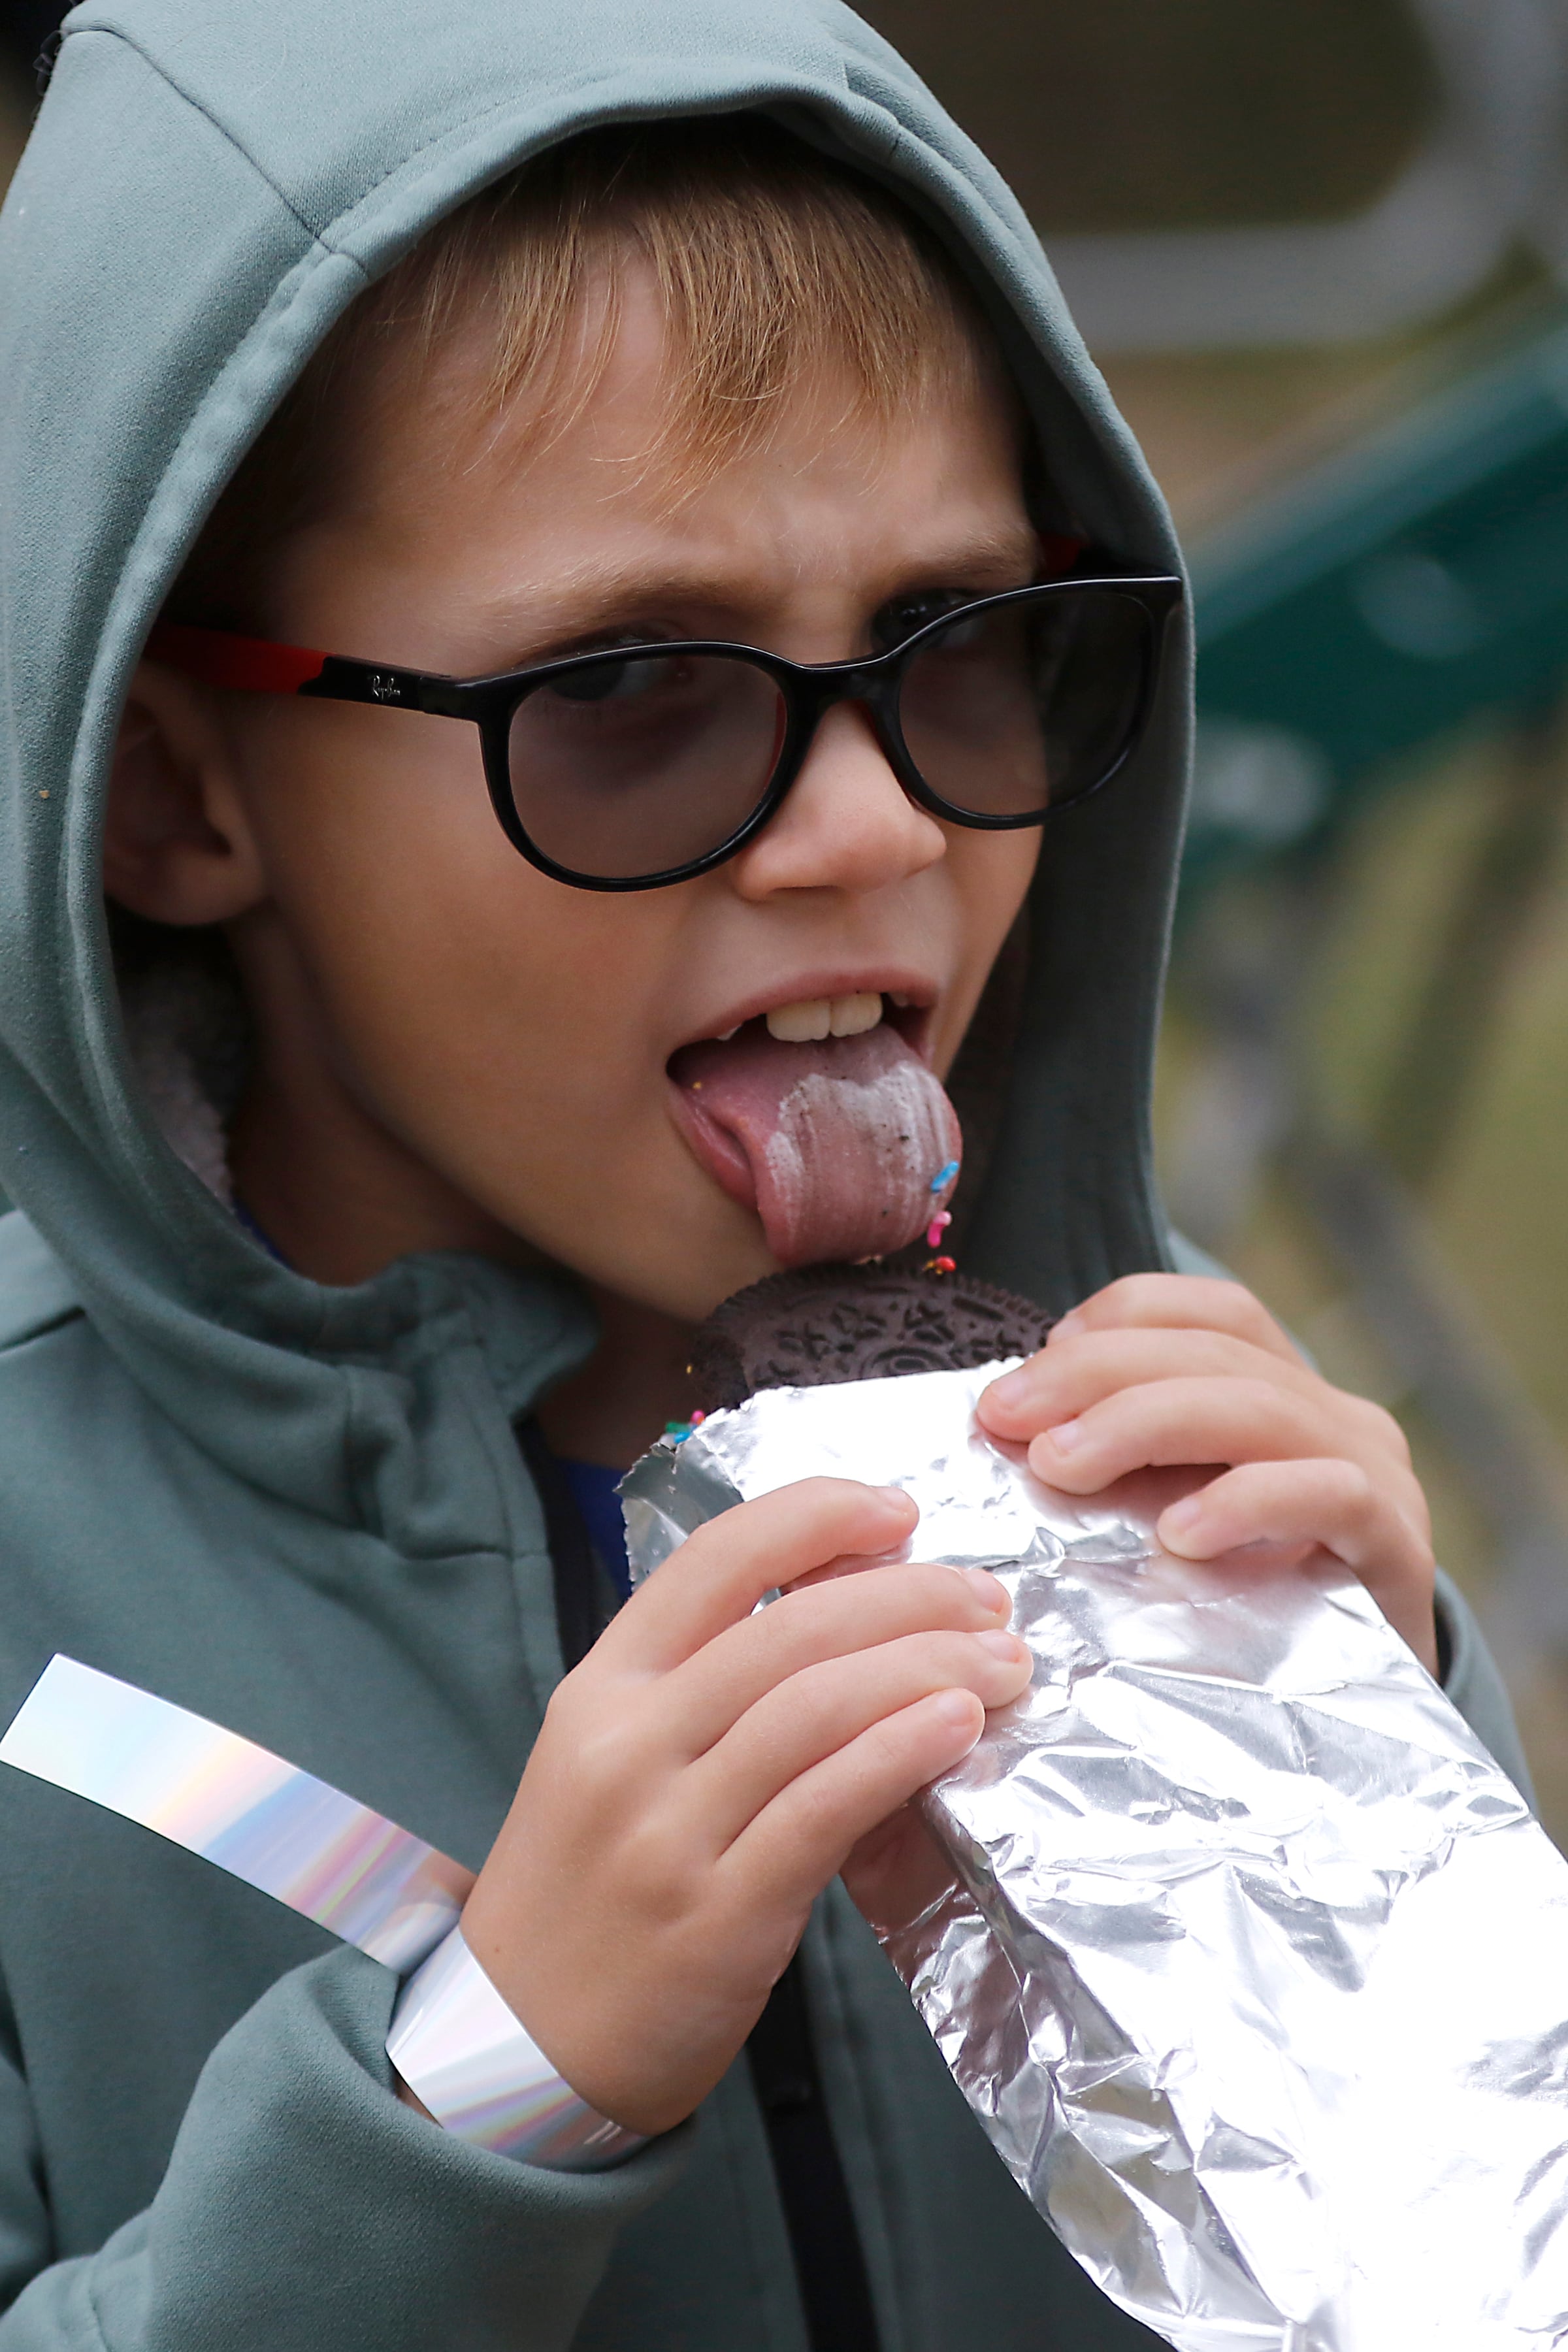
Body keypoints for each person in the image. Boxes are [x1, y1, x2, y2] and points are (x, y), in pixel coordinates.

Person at [0, 3, 1529, 2345]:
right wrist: (488, 2084)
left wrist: (1390, 1784)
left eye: (964, 645)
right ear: (176, 795)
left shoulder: (1153, 1434)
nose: (874, 823)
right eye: (628, 695)